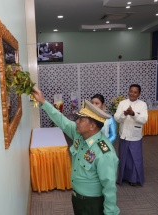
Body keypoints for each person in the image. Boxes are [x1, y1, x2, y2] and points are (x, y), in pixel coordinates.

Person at [32, 87, 120, 215]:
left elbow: (109, 187)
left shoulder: (104, 152)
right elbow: (61, 120)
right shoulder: (80, 134)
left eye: (81, 119)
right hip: (77, 199)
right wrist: (43, 101)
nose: (76, 121)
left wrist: (110, 212)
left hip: (92, 204)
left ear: (92, 126)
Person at [114, 84, 148, 186]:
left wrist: (133, 114)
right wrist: (124, 114)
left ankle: (134, 180)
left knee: (135, 159)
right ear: (128, 91)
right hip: (124, 135)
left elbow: (143, 120)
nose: (132, 94)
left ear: (139, 94)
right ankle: (123, 178)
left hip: (135, 136)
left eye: (135, 92)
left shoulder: (142, 104)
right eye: (131, 91)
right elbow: (116, 118)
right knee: (124, 158)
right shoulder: (122, 103)